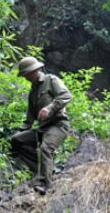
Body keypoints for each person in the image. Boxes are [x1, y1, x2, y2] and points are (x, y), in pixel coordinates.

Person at [10, 57, 72, 195]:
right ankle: (44, 170)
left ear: (33, 71)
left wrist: (50, 108)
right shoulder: (33, 91)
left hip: (58, 124)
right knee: (16, 140)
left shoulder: (51, 80)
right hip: (42, 128)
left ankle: (46, 184)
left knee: (45, 148)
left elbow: (66, 95)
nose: (25, 77)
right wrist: (19, 134)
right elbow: (29, 119)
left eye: (25, 74)